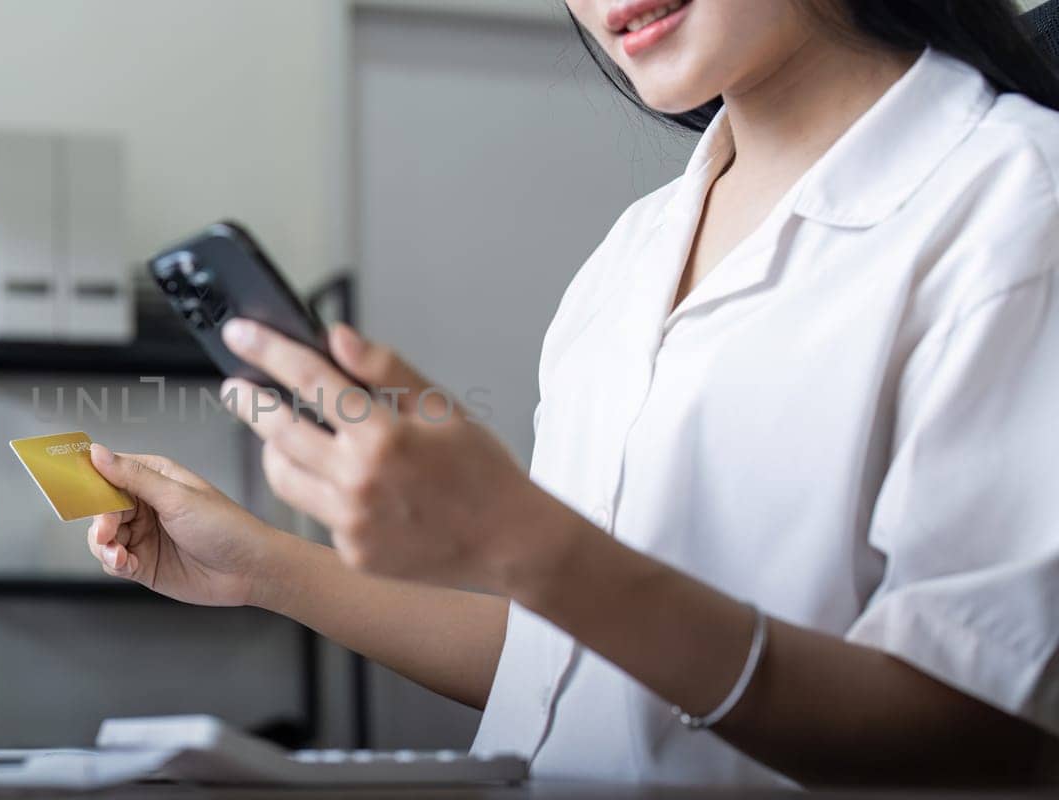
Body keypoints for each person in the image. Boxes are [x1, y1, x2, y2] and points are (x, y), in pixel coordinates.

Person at [85, 0, 1059, 786]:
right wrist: (265, 567)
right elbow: (564, 656)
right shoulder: (632, 252)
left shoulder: (1018, 207)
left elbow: (974, 730)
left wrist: (519, 536)